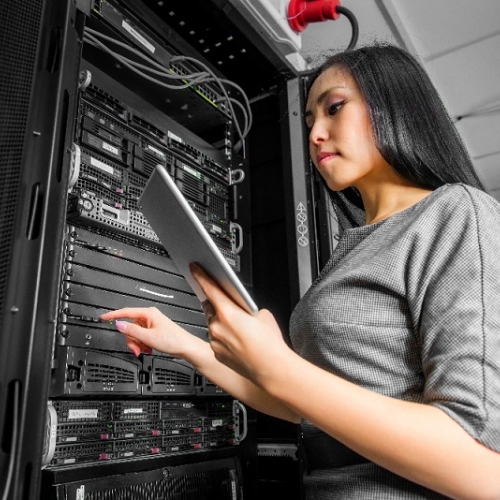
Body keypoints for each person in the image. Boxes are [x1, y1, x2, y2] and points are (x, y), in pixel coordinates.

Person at [100, 44, 500, 499]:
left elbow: (484, 469)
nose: (315, 135)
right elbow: (308, 406)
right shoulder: (354, 249)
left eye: (334, 108)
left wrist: (280, 367)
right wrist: (187, 347)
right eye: (309, 122)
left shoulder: (456, 214)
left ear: (394, 104)